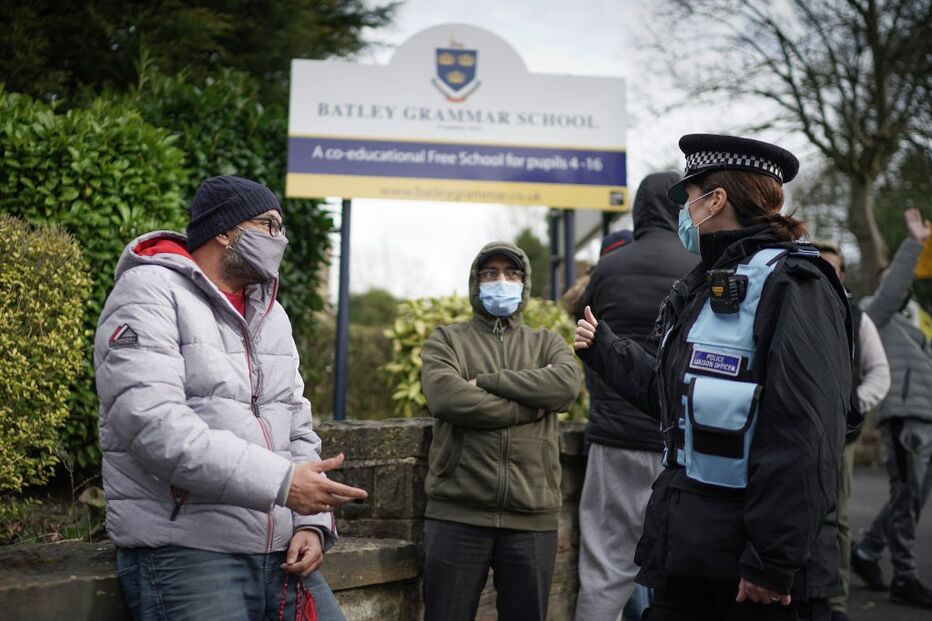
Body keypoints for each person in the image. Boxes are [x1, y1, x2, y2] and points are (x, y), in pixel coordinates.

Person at [575, 134, 852, 621]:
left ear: (716, 200)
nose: (684, 211)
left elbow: (805, 432)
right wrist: (605, 351)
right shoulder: (705, 283)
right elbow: (678, 400)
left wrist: (771, 561)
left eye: (689, 197)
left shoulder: (795, 286)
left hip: (753, 578)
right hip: (692, 556)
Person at [95, 176, 368, 621]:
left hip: (281, 552)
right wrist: (283, 484)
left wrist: (312, 526)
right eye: (269, 225)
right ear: (225, 230)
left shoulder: (271, 312)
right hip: (188, 552)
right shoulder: (148, 292)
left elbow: (296, 424)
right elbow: (153, 426)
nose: (279, 240)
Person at [419, 241, 582, 621]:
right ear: (475, 282)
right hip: (457, 512)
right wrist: (530, 407)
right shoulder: (447, 340)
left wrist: (487, 381)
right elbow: (446, 398)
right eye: (490, 273)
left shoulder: (547, 342)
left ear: (524, 284)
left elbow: (566, 386)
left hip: (532, 515)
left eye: (511, 274)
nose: (500, 281)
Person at [572, 173, 698, 621]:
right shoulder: (698, 265)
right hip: (681, 443)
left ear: (638, 212)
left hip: (614, 437)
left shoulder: (609, 268)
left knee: (606, 567)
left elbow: (581, 322)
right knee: (684, 571)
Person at [851, 208, 932, 610]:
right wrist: (914, 245)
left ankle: (867, 551)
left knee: (913, 498)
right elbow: (893, 286)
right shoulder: (875, 313)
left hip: (926, 418)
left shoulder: (916, 324)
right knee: (907, 498)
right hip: (903, 418)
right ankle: (906, 576)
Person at [810, 241, 891, 621]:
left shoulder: (858, 318)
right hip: (798, 432)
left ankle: (836, 599)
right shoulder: (797, 305)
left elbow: (880, 372)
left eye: (833, 267)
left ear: (841, 274)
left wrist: (854, 404)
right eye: (820, 265)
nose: (827, 273)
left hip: (841, 436)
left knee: (837, 517)